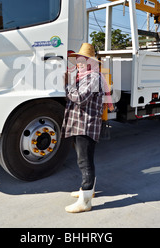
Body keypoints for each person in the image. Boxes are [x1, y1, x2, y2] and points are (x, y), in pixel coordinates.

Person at [62, 43, 112, 213]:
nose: (79, 63)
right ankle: (87, 191)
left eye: (83, 60)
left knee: (85, 161)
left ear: (91, 62)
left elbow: (81, 98)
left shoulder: (93, 78)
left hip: (86, 125)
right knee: (84, 159)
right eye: (78, 60)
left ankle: (85, 201)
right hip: (80, 123)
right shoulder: (83, 76)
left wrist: (67, 85)